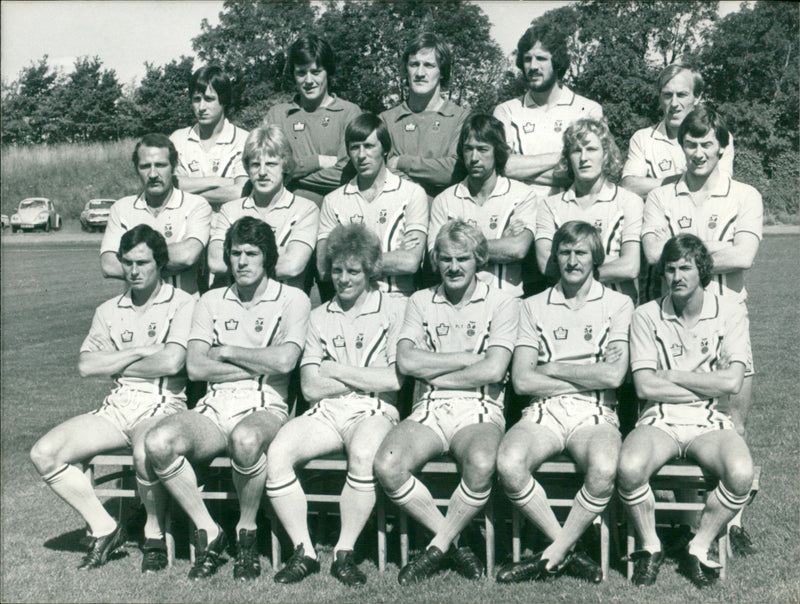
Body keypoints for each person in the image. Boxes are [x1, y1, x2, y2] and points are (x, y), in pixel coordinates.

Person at [144, 216, 310, 581]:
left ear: (267, 257)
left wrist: (228, 350)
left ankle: (246, 533)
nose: (242, 262)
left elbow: (285, 362)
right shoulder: (210, 300)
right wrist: (257, 361)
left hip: (266, 403)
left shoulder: (293, 298)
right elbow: (197, 368)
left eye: (252, 253)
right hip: (215, 406)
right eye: (235, 253)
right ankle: (210, 530)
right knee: (157, 442)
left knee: (246, 440)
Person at [31, 225, 195, 572]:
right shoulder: (108, 309)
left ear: (160, 263)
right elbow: (86, 365)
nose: (134, 271)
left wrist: (118, 361)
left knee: (144, 449)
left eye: (143, 262)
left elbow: (173, 362)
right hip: (119, 403)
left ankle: (154, 534)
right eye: (127, 263)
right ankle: (106, 527)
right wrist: (139, 350)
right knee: (44, 453)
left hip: (164, 401)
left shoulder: (183, 303)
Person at [640, 105, 761, 554]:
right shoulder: (661, 195)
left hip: (729, 316)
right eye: (690, 143)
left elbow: (744, 255)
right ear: (680, 145)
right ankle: (689, 520)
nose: (698, 152)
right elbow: (654, 254)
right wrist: (710, 254)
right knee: (671, 415)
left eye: (707, 143)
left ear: (721, 146)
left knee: (732, 423)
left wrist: (685, 258)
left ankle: (733, 524)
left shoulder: (744, 194)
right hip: (672, 318)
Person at [374, 219, 519, 584]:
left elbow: (495, 369)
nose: (454, 267)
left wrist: (435, 370)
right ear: (436, 261)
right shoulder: (421, 300)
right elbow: (407, 362)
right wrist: (469, 359)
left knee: (483, 461)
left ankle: (436, 546)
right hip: (429, 407)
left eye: (463, 259)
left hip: (480, 408)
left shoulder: (503, 301)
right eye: (446, 259)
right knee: (387, 465)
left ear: (479, 260)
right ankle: (454, 540)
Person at [265, 224, 406, 586]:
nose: (343, 279)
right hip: (326, 411)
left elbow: (392, 380)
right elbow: (311, 387)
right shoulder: (318, 315)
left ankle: (345, 552)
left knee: (363, 452)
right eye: (338, 270)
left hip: (375, 410)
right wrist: (361, 374)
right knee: (278, 452)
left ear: (371, 270)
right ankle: (305, 552)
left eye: (353, 271)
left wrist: (337, 370)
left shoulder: (394, 309)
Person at [494, 221, 633, 584]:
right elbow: (523, 380)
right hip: (543, 412)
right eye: (565, 252)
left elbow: (614, 377)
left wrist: (553, 366)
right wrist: (588, 371)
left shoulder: (619, 304)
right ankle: (565, 548)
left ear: (596, 257)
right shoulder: (532, 305)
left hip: (597, 412)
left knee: (604, 468)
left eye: (581, 252)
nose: (572, 260)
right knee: (509, 463)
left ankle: (551, 554)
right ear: (555, 257)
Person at [618, 234, 755, 588]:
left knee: (741, 474)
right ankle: (650, 546)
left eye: (685, 268)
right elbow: (645, 387)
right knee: (629, 468)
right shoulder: (646, 315)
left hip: (709, 419)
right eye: (670, 269)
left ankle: (699, 545)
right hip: (659, 417)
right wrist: (705, 379)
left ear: (702, 271)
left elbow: (732, 383)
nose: (677, 276)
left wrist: (671, 375)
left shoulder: (730, 311)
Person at [317, 113, 429, 300]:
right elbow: (323, 268)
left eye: (369, 146)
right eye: (354, 148)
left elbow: (410, 262)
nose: (361, 155)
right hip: (349, 303)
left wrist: (346, 261)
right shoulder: (333, 201)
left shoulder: (412, 193)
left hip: (396, 300)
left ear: (384, 148)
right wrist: (392, 257)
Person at [428, 113, 538, 298]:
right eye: (468, 149)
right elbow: (435, 259)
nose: (474, 157)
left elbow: (517, 249)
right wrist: (500, 243)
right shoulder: (445, 200)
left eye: (482, 149)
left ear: (498, 151)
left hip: (507, 302)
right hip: (456, 304)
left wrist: (455, 246)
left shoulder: (521, 195)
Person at [536, 119, 642, 302]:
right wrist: (609, 260)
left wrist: (569, 263)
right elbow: (547, 265)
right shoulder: (549, 206)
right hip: (565, 307)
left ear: (606, 154)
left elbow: (630, 266)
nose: (584, 158)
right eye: (577, 150)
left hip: (616, 305)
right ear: (568, 157)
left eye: (591, 149)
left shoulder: (629, 201)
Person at [493, 23, 603, 200]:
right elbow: (503, 166)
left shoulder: (588, 110)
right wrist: (565, 155)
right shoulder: (505, 111)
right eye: (527, 59)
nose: (533, 66)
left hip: (569, 214)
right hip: (518, 214)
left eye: (541, 59)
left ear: (557, 62)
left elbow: (585, 172)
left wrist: (520, 169)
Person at [208, 125, 319, 292]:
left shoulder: (306, 209)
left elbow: (292, 266)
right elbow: (216, 262)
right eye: (255, 164)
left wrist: (238, 256)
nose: (262, 172)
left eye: (271, 164)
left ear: (285, 165)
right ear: (247, 168)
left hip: (284, 306)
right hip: (235, 307)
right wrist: (279, 252)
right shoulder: (230, 210)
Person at [101, 134, 212, 297]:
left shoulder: (196, 205)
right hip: (137, 313)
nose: (153, 174)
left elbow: (188, 255)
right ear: (136, 169)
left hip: (185, 310)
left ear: (174, 167)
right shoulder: (121, 208)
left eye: (160, 165)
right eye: (145, 166)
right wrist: (168, 262)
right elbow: (109, 265)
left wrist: (133, 260)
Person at [263, 34, 361, 206]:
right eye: (301, 73)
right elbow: (266, 169)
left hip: (339, 211)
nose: (309, 81)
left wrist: (290, 176)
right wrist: (317, 162)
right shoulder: (277, 115)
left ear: (328, 72)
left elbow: (348, 174)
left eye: (316, 72)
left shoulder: (349, 113)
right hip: (288, 213)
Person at [621, 65, 734, 199]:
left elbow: (718, 185)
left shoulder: (717, 136)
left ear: (697, 97)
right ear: (660, 98)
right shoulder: (642, 138)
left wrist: (655, 184)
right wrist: (686, 179)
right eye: (668, 95)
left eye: (681, 95)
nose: (674, 103)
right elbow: (628, 187)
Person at [379, 33, 469, 200]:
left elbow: (454, 171)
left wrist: (402, 162)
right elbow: (380, 172)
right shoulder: (386, 120)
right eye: (414, 64)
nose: (420, 72)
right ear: (406, 69)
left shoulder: (461, 118)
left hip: (443, 215)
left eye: (428, 65)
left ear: (442, 72)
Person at [170, 65, 250, 208]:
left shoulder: (244, 140)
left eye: (209, 99)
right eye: (196, 99)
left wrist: (186, 192)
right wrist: (216, 180)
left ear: (224, 100)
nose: (201, 107)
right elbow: (171, 184)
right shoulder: (177, 140)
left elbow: (240, 192)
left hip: (229, 225)